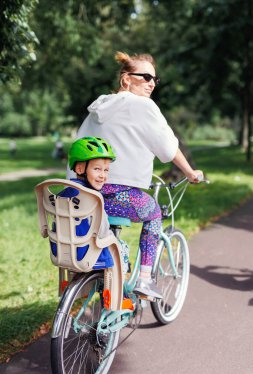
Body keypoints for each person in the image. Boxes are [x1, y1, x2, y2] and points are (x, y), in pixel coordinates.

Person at [69, 51, 203, 299]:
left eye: (155, 78)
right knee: (153, 212)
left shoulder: (98, 108)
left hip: (83, 195)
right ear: (126, 79)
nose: (152, 82)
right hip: (116, 195)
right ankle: (144, 279)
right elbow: (167, 148)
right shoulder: (143, 105)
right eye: (145, 76)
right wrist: (190, 172)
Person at [57, 136, 117, 270]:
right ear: (79, 169)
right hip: (94, 257)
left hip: (65, 253)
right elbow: (102, 232)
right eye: (97, 169)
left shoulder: (64, 194)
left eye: (105, 170)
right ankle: (115, 290)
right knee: (120, 249)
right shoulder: (93, 197)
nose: (103, 175)